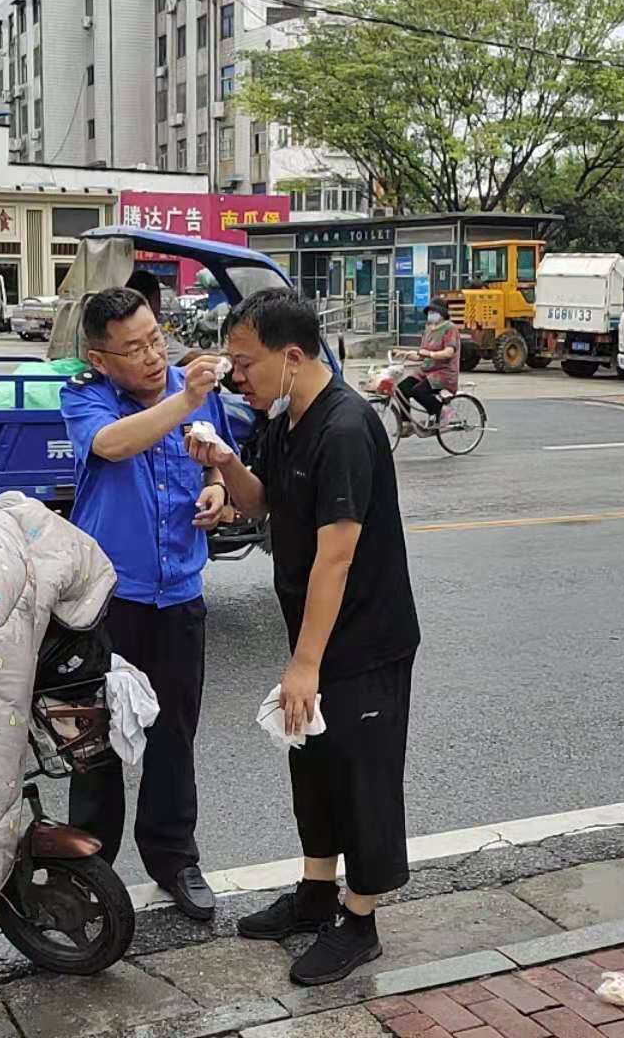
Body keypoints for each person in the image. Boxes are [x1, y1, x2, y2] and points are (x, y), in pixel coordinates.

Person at [184, 288, 420, 986]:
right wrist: (224, 461)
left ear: (291, 356)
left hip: (364, 639)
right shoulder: (288, 418)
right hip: (313, 637)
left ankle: (361, 920)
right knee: (312, 770)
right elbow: (261, 503)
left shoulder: (345, 427)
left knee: (363, 779)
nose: (237, 377)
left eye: (245, 362)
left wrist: (306, 663)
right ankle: (317, 894)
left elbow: (336, 556)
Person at [59, 285, 237, 922]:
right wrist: (184, 399)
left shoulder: (191, 388)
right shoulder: (85, 394)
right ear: (100, 358)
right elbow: (111, 444)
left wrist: (218, 488)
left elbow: (215, 460)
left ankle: (173, 858)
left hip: (180, 597)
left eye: (156, 339)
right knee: (95, 740)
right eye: (133, 349)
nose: (153, 356)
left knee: (173, 734)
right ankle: (89, 868)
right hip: (110, 603)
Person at [397, 303, 457, 434]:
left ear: (442, 313)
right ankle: (406, 424)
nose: (431, 315)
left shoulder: (450, 328)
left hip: (444, 372)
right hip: (426, 371)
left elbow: (449, 352)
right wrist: (405, 354)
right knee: (401, 389)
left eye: (433, 311)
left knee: (419, 391)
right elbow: (421, 354)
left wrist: (430, 354)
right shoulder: (428, 329)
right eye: (429, 312)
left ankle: (442, 411)